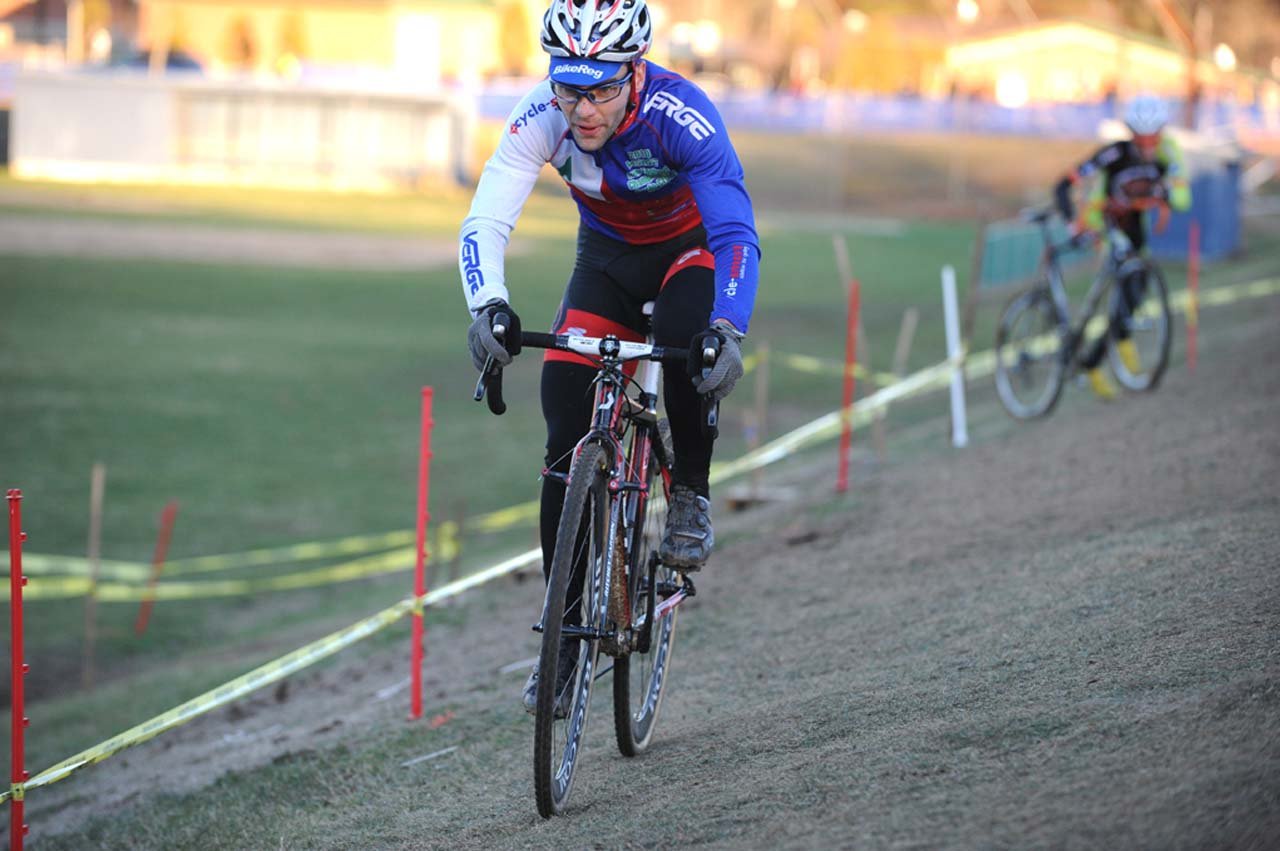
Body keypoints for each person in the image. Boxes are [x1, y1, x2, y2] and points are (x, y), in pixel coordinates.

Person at [457, 0, 761, 713]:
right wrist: (488, 304)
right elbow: (488, 213)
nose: (583, 108)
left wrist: (728, 324)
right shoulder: (544, 113)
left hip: (688, 253)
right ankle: (562, 640)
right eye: (569, 86)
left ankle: (688, 491)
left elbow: (736, 232)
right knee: (565, 429)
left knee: (690, 349)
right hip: (606, 261)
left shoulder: (682, 115)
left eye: (600, 89)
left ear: (634, 72)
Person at [1053, 93, 1191, 399]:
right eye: (1140, 139)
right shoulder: (1113, 154)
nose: (1146, 146)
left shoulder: (1169, 151)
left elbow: (1184, 198)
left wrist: (1165, 193)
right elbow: (1067, 182)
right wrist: (1073, 222)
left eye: (1152, 138)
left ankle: (1092, 360)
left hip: (1136, 226)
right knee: (1126, 288)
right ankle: (1113, 344)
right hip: (1106, 223)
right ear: (1131, 133)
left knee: (1135, 293)